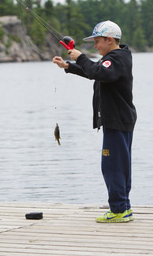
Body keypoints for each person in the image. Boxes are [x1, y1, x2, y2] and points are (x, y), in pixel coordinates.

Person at [53, 20, 137, 223]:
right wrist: (69, 66)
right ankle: (123, 207)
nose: (95, 46)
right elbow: (95, 72)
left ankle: (118, 210)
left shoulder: (114, 59)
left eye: (97, 41)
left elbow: (99, 72)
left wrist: (80, 56)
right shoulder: (116, 58)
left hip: (116, 120)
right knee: (120, 165)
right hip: (121, 119)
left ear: (109, 40)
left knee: (112, 166)